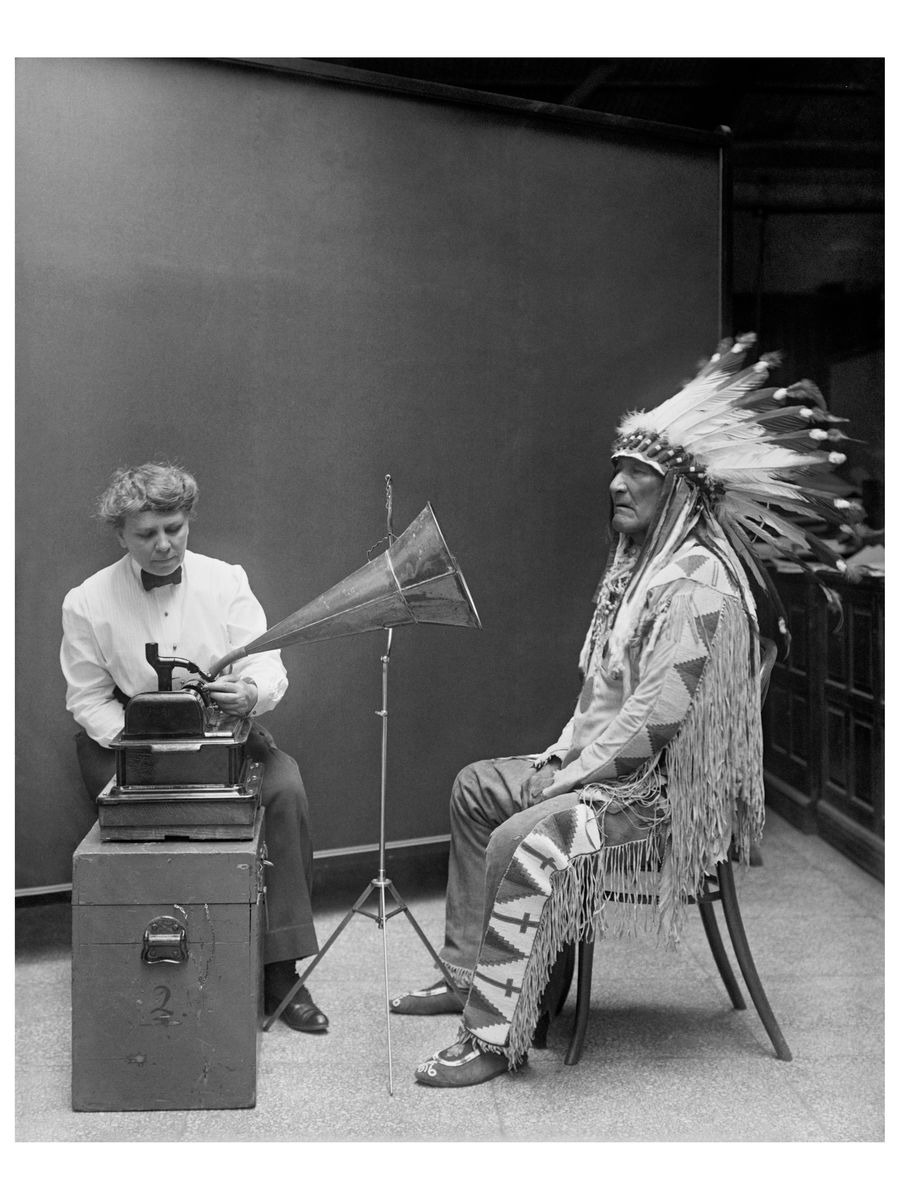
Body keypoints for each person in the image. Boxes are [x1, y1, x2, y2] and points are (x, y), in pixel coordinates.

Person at [392, 334, 857, 1087]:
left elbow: (655, 725)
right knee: (479, 787)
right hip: (608, 775)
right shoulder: (642, 570)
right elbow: (606, 696)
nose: (617, 483)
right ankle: (469, 973)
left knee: (523, 833)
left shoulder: (700, 585)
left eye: (640, 472)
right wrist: (560, 758)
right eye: (618, 467)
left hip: (657, 800)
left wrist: (567, 780)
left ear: (680, 493)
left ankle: (492, 1035)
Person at [60, 462, 329, 1034]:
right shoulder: (85, 601)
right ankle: (159, 962)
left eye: (174, 529)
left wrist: (251, 692)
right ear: (120, 535)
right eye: (146, 534)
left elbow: (265, 661)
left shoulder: (227, 580)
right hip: (129, 741)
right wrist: (142, 737)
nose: (163, 545)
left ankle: (279, 969)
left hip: (219, 728)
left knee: (283, 790)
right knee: (146, 816)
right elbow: (86, 699)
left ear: (188, 522)